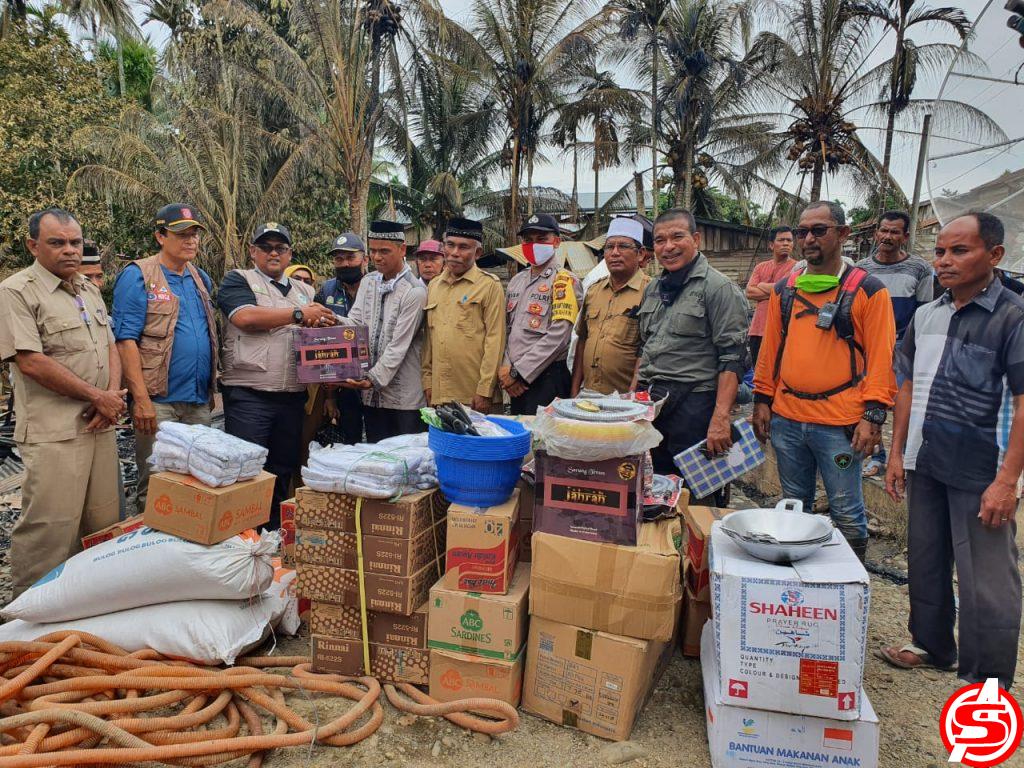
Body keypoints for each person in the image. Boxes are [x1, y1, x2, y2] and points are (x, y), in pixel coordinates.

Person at [880, 212, 1023, 691]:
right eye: (940, 251)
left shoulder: (1013, 318)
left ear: (995, 255)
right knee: (926, 556)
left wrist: (1007, 482)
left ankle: (986, 682)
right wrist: (897, 453)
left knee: (986, 579)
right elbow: (905, 385)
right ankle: (932, 644)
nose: (944, 260)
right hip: (926, 457)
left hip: (982, 468)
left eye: (959, 251)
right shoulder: (927, 314)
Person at [752, 201, 897, 562]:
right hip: (787, 419)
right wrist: (761, 398)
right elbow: (770, 349)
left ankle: (848, 585)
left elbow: (882, 358)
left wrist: (873, 416)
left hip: (840, 425)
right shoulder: (785, 290)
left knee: (846, 510)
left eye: (819, 230)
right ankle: (799, 583)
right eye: (803, 232)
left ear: (843, 234)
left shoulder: (868, 291)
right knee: (793, 505)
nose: (808, 239)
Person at [0, 208, 126, 596]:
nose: (69, 250)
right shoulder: (16, 292)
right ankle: (30, 628)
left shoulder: (86, 289)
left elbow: (109, 345)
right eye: (57, 242)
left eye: (75, 242)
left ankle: (89, 612)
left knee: (104, 526)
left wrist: (111, 399)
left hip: (99, 425)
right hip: (55, 433)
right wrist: (97, 396)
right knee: (51, 531)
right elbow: (31, 361)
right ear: (33, 245)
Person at [217, 222, 336, 527]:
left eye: (280, 248)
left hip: (292, 398)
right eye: (266, 247)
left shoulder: (305, 290)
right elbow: (244, 317)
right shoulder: (237, 280)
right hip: (249, 395)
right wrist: (298, 314)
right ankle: (244, 537)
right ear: (253, 251)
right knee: (247, 470)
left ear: (289, 254)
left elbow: (320, 337)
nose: (273, 253)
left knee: (282, 468)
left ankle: (272, 535)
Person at [637, 208, 749, 501]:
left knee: (697, 496)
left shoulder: (719, 288)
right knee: (654, 489)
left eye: (677, 237)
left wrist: (720, 418)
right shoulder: (653, 289)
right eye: (660, 240)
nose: (668, 246)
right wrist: (632, 404)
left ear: (696, 239)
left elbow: (732, 357)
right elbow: (645, 348)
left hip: (695, 408)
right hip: (652, 406)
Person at [112, 203, 218, 512]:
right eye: (182, 234)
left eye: (195, 234)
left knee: (197, 482)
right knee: (158, 485)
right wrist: (141, 399)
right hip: (159, 401)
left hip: (197, 401)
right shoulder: (139, 276)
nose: (191, 241)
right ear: (160, 236)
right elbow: (126, 340)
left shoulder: (201, 279)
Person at [335, 220, 427, 441]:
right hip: (371, 395)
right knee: (379, 460)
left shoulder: (415, 291)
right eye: (373, 251)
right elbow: (356, 324)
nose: (377, 257)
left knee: (407, 461)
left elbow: (399, 346)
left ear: (402, 249)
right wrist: (331, 320)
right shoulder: (368, 282)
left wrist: (372, 379)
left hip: (404, 398)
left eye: (384, 251)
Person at [857, 210, 933, 477]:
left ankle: (900, 458)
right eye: (884, 231)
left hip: (903, 348)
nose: (887, 237)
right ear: (876, 233)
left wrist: (912, 350)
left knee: (902, 404)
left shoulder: (920, 269)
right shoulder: (861, 269)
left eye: (894, 232)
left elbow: (923, 312)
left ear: (905, 236)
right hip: (867, 348)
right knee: (868, 403)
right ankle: (874, 456)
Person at [500, 213, 582, 414]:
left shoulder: (564, 281)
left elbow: (559, 337)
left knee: (544, 442)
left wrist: (519, 373)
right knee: (521, 438)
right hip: (515, 382)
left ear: (556, 242)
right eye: (528, 240)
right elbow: (507, 330)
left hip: (548, 378)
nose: (534, 244)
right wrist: (507, 370)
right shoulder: (516, 281)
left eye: (542, 239)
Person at [422, 217, 505, 411]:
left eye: (463, 247)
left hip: (475, 396)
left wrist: (485, 390)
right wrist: (427, 382)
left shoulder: (489, 286)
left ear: (477, 253)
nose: (454, 253)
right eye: (450, 245)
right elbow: (428, 341)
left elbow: (495, 341)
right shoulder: (434, 285)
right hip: (439, 394)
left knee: (478, 442)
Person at [571, 217, 650, 396]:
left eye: (623, 246)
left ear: (640, 253)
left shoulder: (651, 292)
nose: (615, 253)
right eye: (609, 247)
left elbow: (647, 349)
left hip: (626, 399)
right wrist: (574, 392)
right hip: (588, 395)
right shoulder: (593, 291)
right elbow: (582, 341)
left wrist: (632, 397)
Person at [313, 233, 368, 445]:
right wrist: (330, 397)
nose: (345, 264)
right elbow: (321, 345)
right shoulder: (326, 291)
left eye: (350, 258)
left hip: (376, 379)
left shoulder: (376, 287)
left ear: (365, 259)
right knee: (350, 439)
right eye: (339, 259)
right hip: (343, 383)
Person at [745, 226, 795, 367]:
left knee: (779, 372)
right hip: (757, 330)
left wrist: (761, 285)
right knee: (758, 374)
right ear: (771, 245)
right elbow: (749, 292)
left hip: (782, 331)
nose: (786, 243)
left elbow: (788, 290)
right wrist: (776, 289)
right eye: (781, 240)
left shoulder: (797, 268)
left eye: (789, 240)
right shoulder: (760, 267)